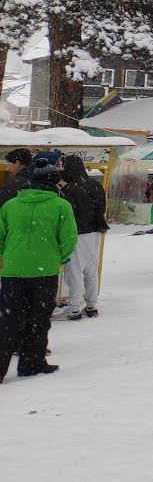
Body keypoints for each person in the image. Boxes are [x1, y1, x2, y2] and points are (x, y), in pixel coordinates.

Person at [0, 156, 77, 381]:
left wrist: (6, 257)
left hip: (13, 270)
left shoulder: (11, 205)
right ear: (53, 183)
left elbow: (0, 235)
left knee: (8, 319)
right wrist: (58, 256)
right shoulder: (61, 205)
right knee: (38, 318)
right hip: (45, 271)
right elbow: (69, 238)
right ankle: (31, 362)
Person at [58, 156, 107, 320]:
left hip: (78, 233)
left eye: (63, 166)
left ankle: (74, 309)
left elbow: (66, 215)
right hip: (96, 232)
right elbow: (102, 207)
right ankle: (92, 305)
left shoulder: (70, 189)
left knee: (75, 272)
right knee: (91, 270)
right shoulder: (96, 185)